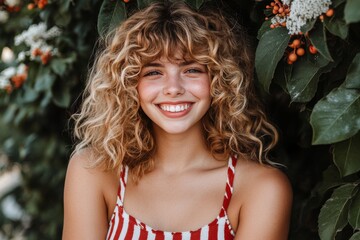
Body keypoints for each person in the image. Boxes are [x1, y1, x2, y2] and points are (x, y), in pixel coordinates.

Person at [62, 1, 292, 239]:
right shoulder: (94, 171)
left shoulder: (259, 188)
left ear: (219, 79)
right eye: (153, 72)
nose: (173, 89)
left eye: (192, 69)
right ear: (129, 84)